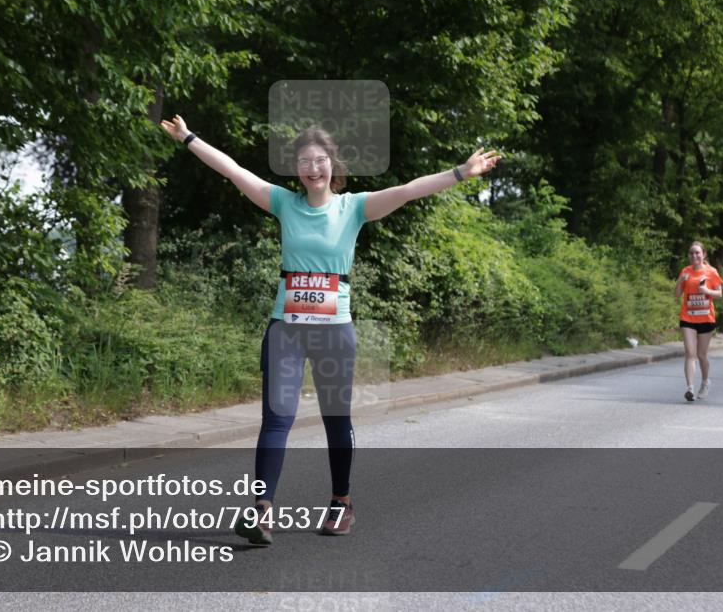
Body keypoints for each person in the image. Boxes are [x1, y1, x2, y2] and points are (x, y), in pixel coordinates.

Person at [160, 114, 499, 545]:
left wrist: (460, 173)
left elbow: (410, 190)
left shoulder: (353, 207)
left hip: (334, 330)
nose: (312, 168)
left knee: (335, 418)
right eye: (304, 161)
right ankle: (262, 511)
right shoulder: (283, 202)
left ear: (332, 166)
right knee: (276, 419)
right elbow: (233, 170)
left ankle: (342, 502)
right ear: (296, 169)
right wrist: (189, 137)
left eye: (319, 160)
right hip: (286, 327)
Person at [674, 241, 722, 402]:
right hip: (688, 317)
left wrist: (706, 291)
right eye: (691, 253)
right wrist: (681, 280)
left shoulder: (711, 272)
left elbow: (719, 294)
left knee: (701, 355)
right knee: (690, 352)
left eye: (697, 253)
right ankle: (690, 388)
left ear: (704, 254)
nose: (694, 255)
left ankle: (705, 381)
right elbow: (676, 295)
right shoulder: (685, 271)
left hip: (706, 318)